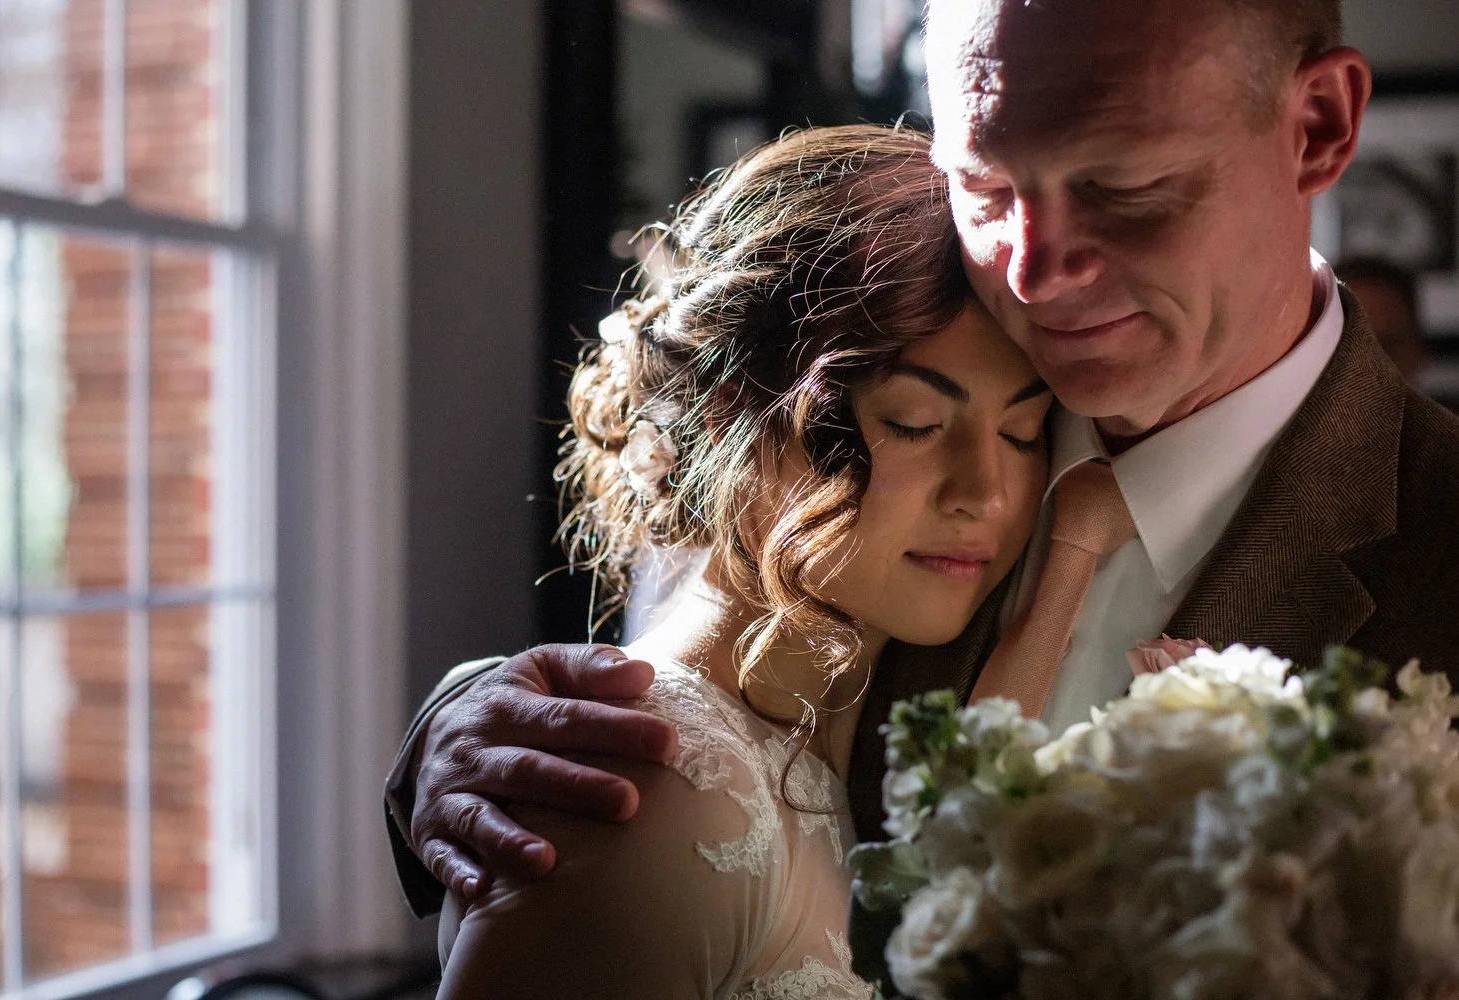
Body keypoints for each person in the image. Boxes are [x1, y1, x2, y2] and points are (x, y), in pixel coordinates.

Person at [386, 0, 1459, 915]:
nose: (1032, 275)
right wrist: (463, 727)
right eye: (984, 190)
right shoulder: (905, 387)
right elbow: (713, 662)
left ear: (1318, 124)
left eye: (1125, 190)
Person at [428, 124, 1052, 998]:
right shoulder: (653, 800)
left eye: (1025, 432)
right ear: (729, 415)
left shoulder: (854, 747)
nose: (984, 492)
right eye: (912, 420)